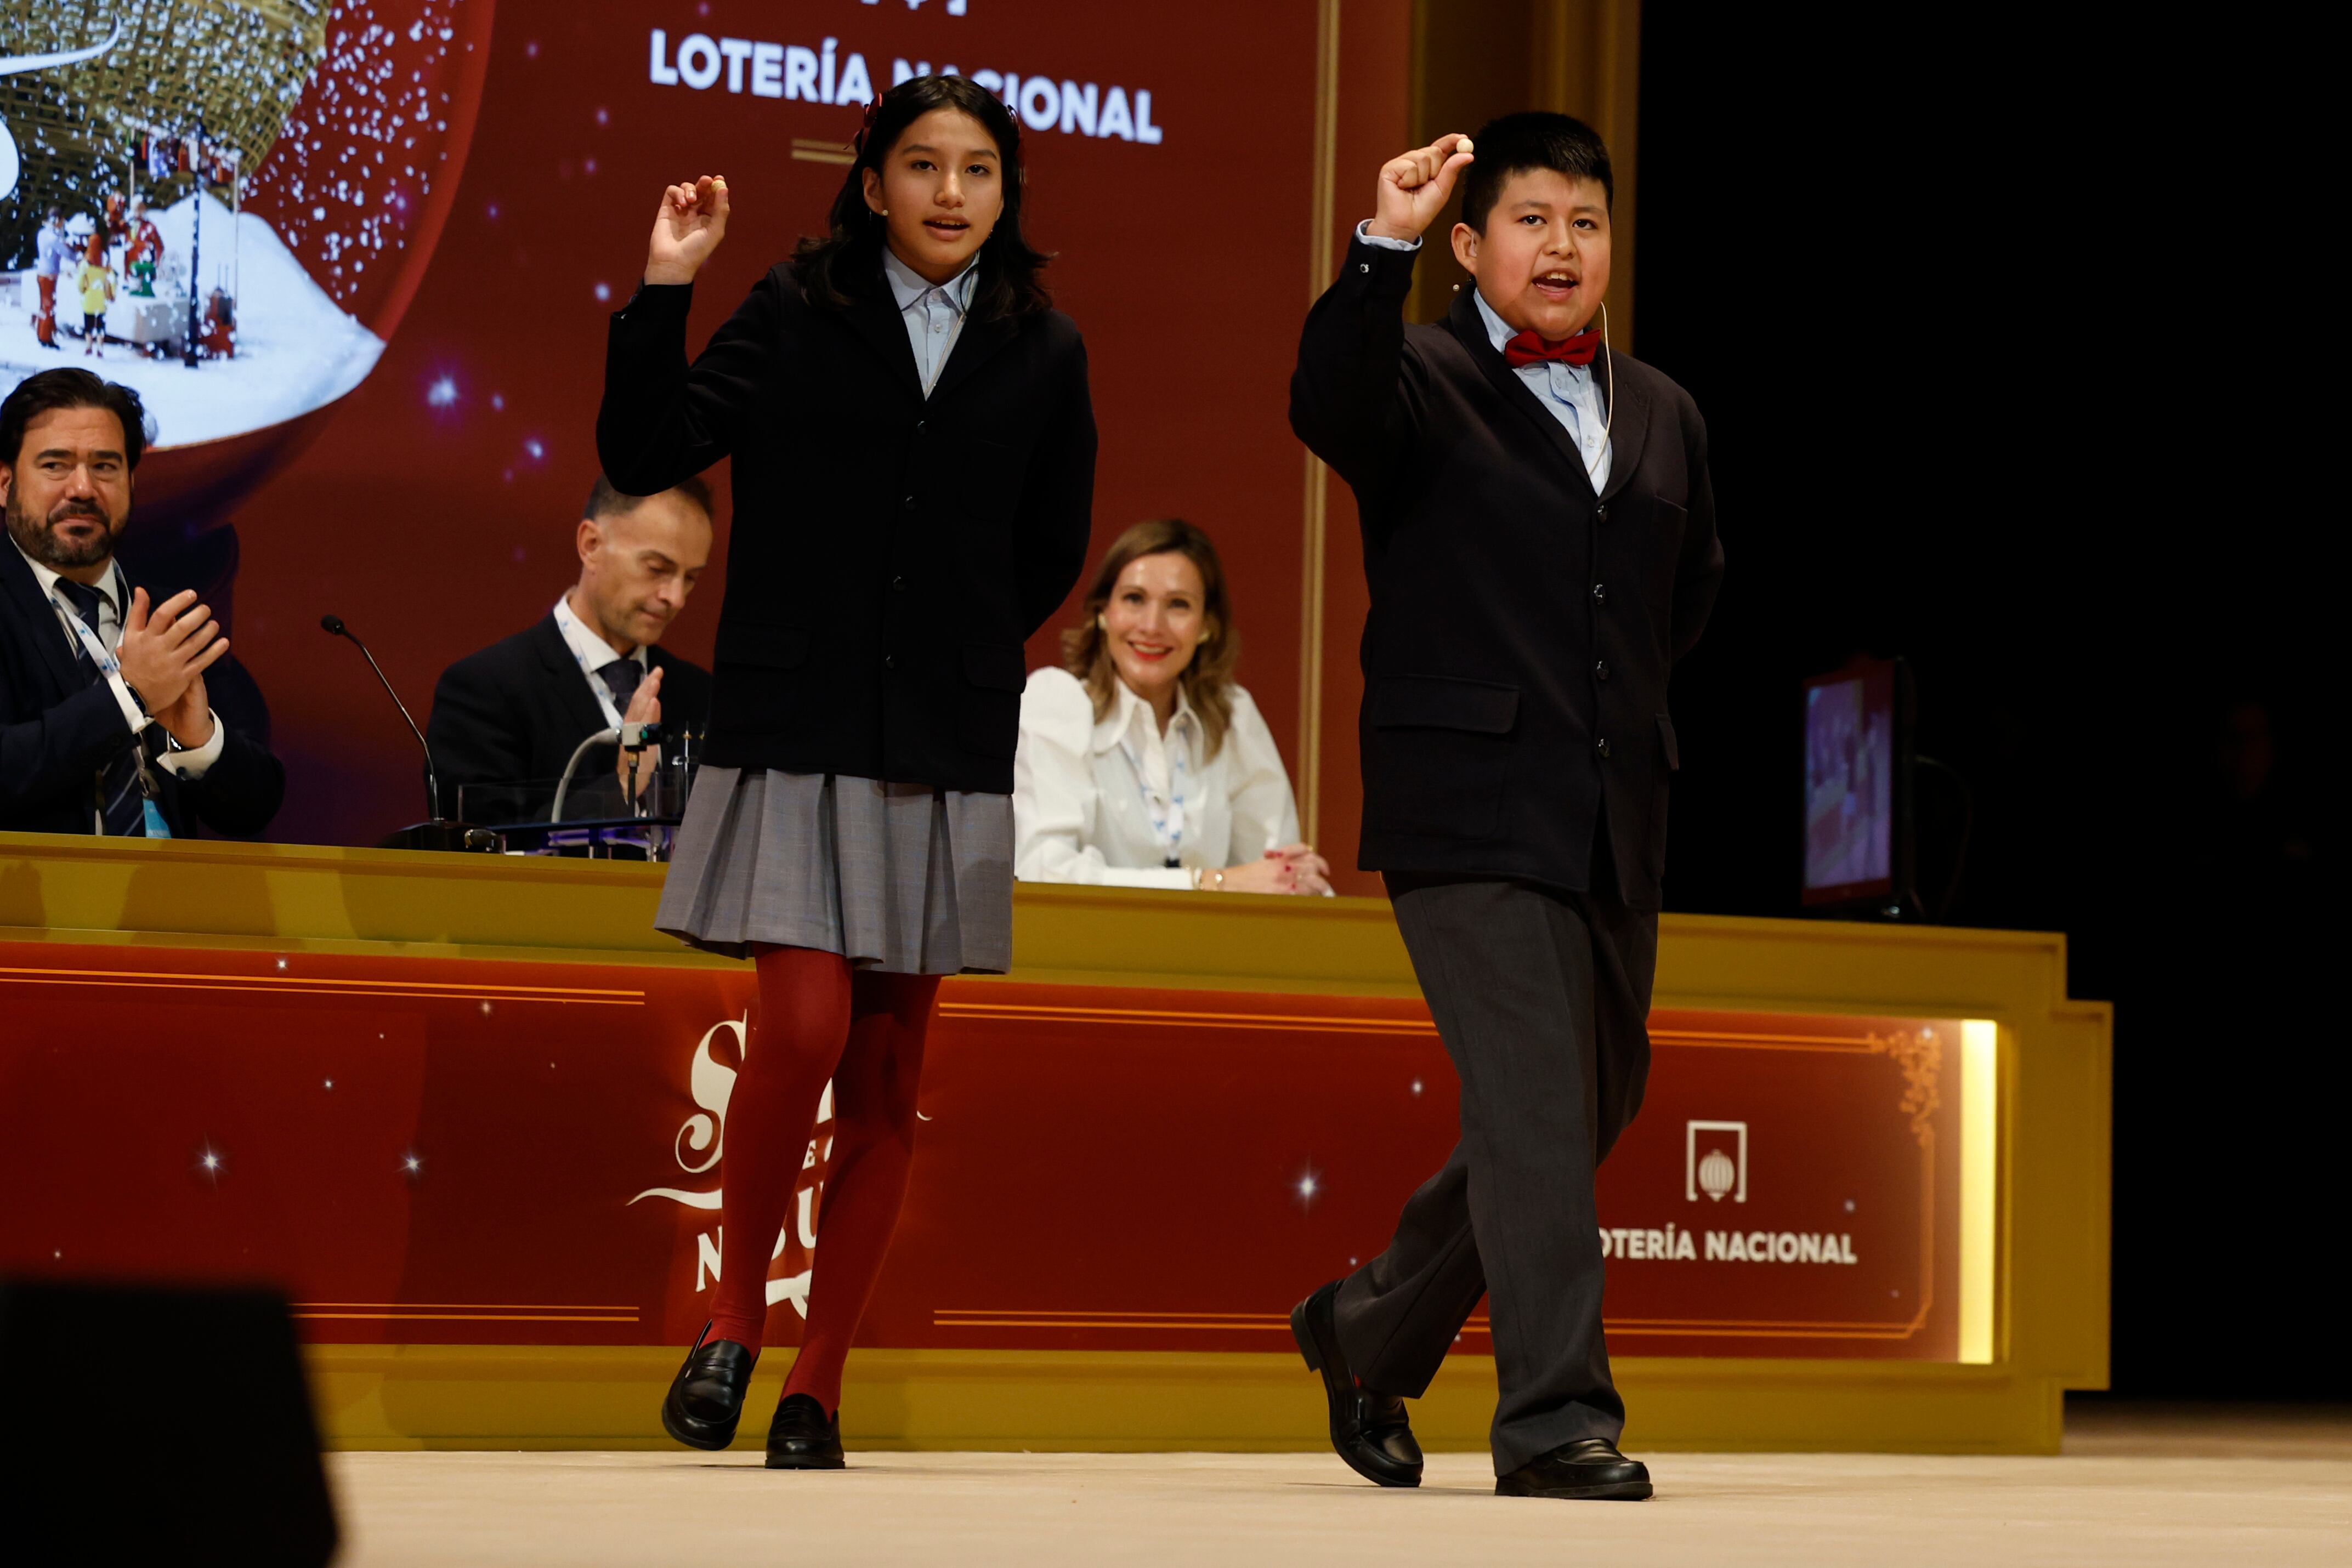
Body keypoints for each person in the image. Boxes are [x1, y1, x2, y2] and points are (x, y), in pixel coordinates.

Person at [597, 75, 1095, 1469]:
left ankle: (818, 1378)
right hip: (796, 721)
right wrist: (664, 283)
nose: (950, 193)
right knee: (803, 1027)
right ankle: (734, 1320)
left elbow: (1050, 543)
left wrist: (943, 640)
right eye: (921, 165)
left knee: (885, 1068)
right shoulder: (795, 307)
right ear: (869, 182)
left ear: (1007, 194)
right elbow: (642, 451)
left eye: (979, 170)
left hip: (937, 738)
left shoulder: (1042, 346)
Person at [1285, 114, 1724, 1502]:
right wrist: (1379, 251)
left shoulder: (1661, 408)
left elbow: (1683, 593)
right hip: (1461, 799)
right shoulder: (1414, 372)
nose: (1561, 248)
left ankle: (1365, 1328)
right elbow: (1323, 402)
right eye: (1531, 221)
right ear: (1471, 245)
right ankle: (1551, 1421)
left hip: (1608, 807)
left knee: (1589, 1099)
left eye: (1584, 225)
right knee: (1534, 1098)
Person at [0, 368, 285, 838]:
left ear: (131, 482)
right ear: (6, 483)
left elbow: (257, 806)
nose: (83, 489)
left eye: (105, 466)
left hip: (167, 900)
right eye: (55, 465)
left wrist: (202, 742)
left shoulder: (173, 618)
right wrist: (130, 697)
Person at [1014, 518, 1328, 894]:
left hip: (1214, 949)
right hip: (1089, 946)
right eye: (1134, 599)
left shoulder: (1232, 714)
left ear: (1207, 626)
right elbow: (1046, 871)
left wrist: (1302, 882)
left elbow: (1278, 872)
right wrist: (1209, 883)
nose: (1151, 625)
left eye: (1178, 605)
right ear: (1102, 612)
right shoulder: (1056, 703)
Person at [426, 475, 716, 823]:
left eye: (691, 578)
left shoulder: (702, 697)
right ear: (590, 545)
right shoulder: (485, 690)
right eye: (657, 569)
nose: (676, 598)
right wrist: (622, 785)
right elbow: (478, 850)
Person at [73, 232, 114, 360]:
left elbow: (80, 281)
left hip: (89, 297)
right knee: (101, 324)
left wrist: (83, 290)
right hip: (101, 299)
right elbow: (111, 279)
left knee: (89, 323)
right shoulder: (105, 261)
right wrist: (111, 294)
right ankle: (100, 348)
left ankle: (89, 347)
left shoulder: (85, 263)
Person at [32, 208, 67, 350]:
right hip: (50, 275)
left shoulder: (42, 233)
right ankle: (46, 337)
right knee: (49, 306)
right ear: (57, 221)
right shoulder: (53, 238)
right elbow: (65, 252)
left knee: (44, 306)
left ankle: (41, 333)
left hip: (41, 272)